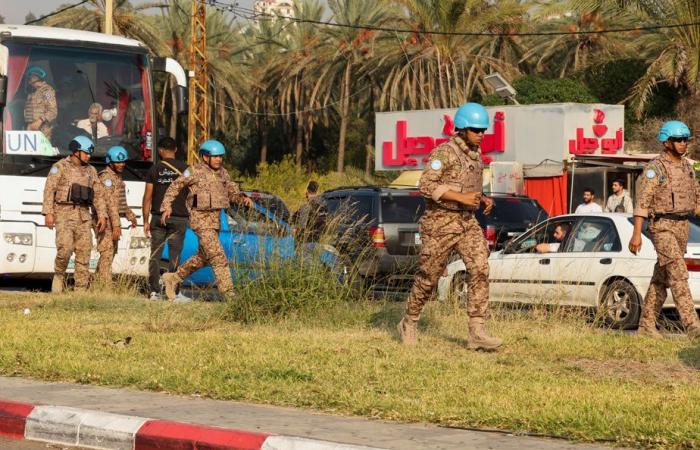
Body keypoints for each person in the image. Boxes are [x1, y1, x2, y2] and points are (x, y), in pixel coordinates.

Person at [397, 102, 501, 350]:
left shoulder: (476, 157)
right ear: (462, 129)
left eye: (483, 130)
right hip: (440, 223)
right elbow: (426, 185)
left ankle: (476, 331)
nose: (481, 134)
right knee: (429, 277)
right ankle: (409, 322)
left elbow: (470, 188)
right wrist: (460, 197)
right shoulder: (443, 153)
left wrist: (482, 198)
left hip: (467, 223)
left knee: (480, 268)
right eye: (476, 129)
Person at [629, 120, 700, 339]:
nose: (682, 144)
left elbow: (696, 194)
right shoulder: (655, 168)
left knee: (661, 278)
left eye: (684, 140)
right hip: (661, 226)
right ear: (666, 142)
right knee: (678, 273)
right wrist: (636, 235)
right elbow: (643, 201)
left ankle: (646, 326)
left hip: (682, 225)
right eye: (677, 140)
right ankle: (693, 326)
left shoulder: (688, 166)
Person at [159, 140, 253, 301]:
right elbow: (175, 186)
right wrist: (166, 206)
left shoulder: (223, 173)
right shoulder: (193, 171)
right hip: (200, 220)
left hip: (215, 221)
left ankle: (173, 278)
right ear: (204, 157)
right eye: (215, 157)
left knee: (203, 257)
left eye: (220, 157)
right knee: (218, 256)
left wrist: (242, 198)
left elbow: (232, 192)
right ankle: (229, 294)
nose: (218, 160)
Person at [42, 136, 108, 293]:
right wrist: (48, 213)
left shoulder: (91, 170)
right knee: (64, 250)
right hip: (63, 214)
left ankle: (80, 290)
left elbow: (98, 195)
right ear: (76, 151)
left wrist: (102, 215)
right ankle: (59, 275)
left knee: (84, 253)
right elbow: (49, 189)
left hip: (83, 216)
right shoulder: (59, 167)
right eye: (86, 153)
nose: (88, 156)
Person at [142, 137, 190, 301]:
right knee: (175, 256)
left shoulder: (154, 170)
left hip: (157, 218)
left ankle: (154, 292)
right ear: (176, 150)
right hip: (179, 218)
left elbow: (147, 197)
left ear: (160, 150)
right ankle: (174, 293)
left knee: (155, 254)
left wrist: (145, 220)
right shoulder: (186, 169)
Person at [93, 146, 138, 284]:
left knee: (110, 253)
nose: (121, 164)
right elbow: (110, 204)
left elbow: (119, 202)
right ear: (110, 162)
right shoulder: (106, 178)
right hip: (105, 220)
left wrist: (130, 215)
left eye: (123, 162)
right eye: (118, 162)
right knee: (107, 252)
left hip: (114, 220)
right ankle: (105, 287)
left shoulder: (116, 177)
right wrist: (116, 225)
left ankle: (96, 284)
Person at [24, 66, 58, 140]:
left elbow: (53, 111)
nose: (29, 81)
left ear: (36, 78)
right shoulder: (34, 92)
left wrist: (39, 121)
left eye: (31, 78)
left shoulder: (46, 91)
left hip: (43, 129)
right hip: (32, 128)